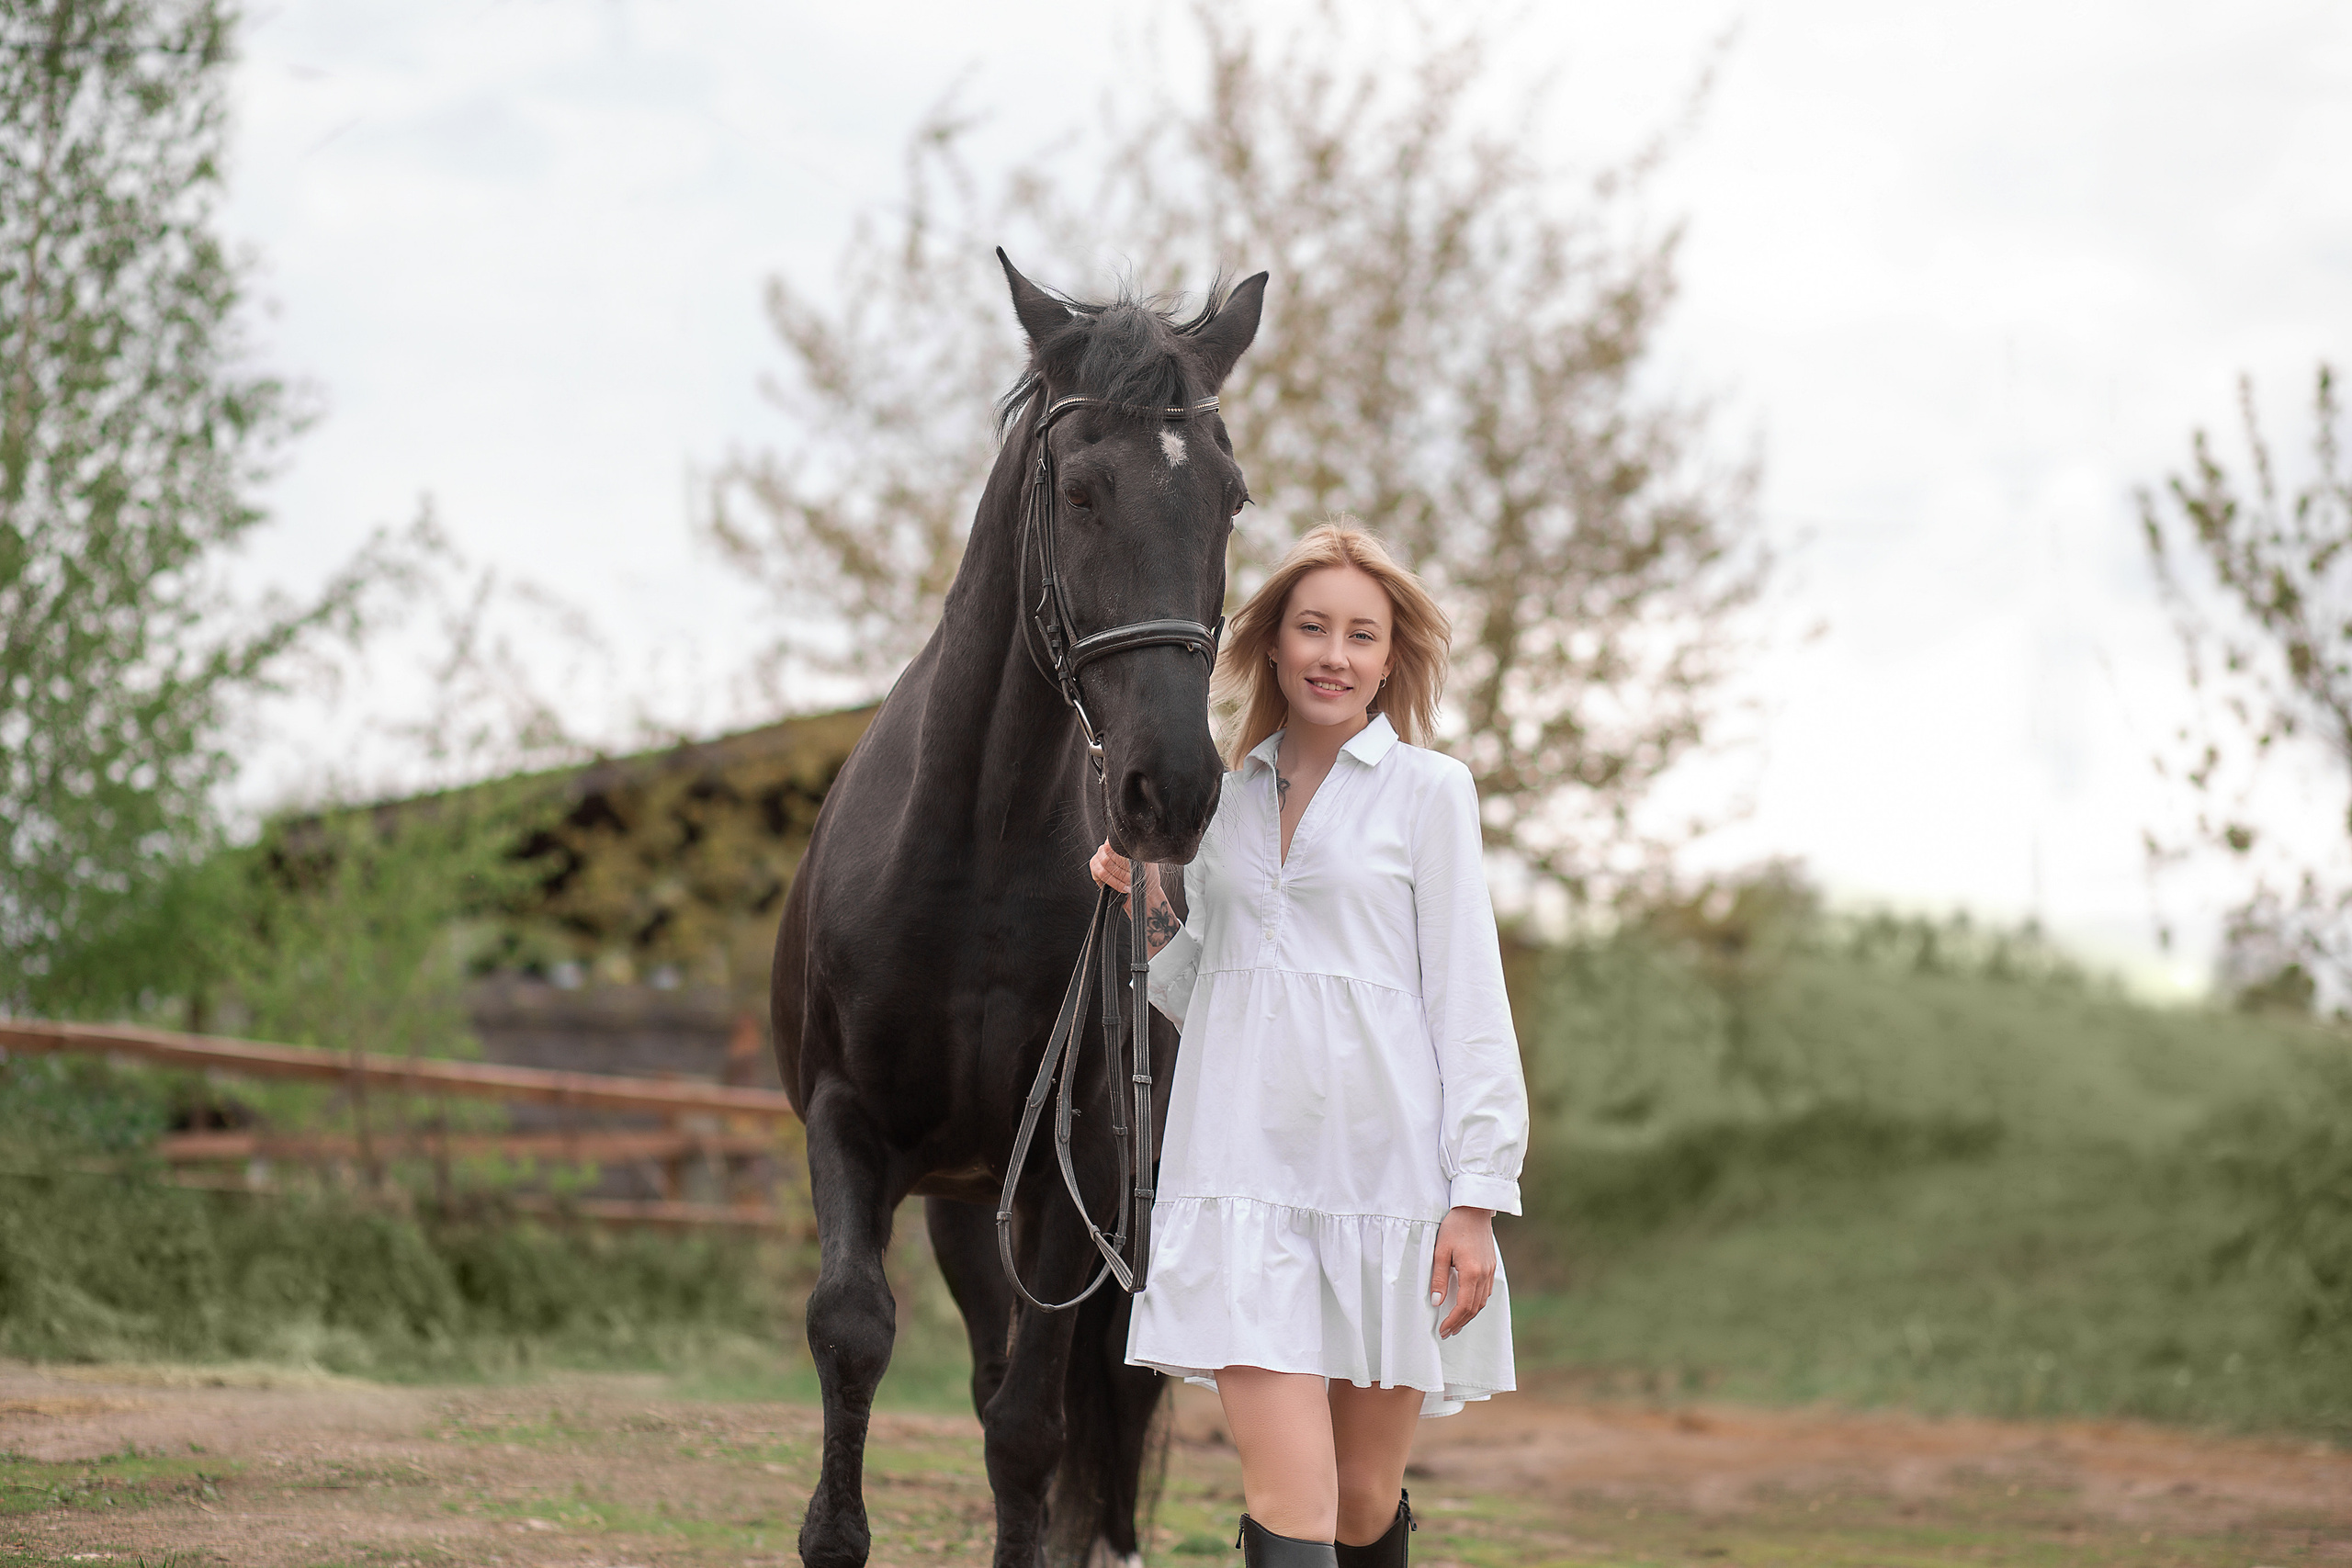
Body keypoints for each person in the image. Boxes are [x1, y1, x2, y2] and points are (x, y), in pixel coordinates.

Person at [1088, 521, 1528, 1568]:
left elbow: (1467, 995)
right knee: (1291, 1499)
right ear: (1273, 647)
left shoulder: (1430, 791)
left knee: (1363, 1504)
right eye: (1312, 628)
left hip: (1388, 1189)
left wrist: (1476, 1196)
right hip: (1241, 1179)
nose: (1333, 654)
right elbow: (1202, 986)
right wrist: (1143, 881)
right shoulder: (1222, 798)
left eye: (1360, 636)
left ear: (1389, 658)